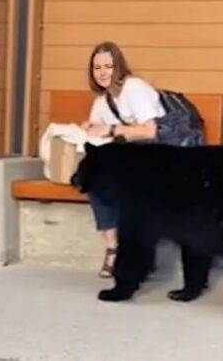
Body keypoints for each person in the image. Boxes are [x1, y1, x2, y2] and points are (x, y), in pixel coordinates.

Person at [80, 41, 165, 278]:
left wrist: (112, 129)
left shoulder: (133, 88)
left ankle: (136, 256)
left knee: (128, 186)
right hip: (132, 161)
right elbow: (99, 137)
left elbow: (151, 132)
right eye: (97, 68)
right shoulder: (101, 101)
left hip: (161, 157)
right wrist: (89, 129)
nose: (103, 72)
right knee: (97, 181)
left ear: (119, 67)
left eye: (108, 66)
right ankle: (113, 249)